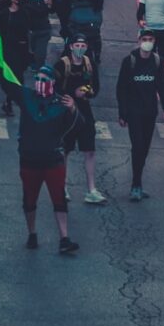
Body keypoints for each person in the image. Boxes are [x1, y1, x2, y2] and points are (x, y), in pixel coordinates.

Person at [1, 65, 81, 254]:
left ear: (53, 82)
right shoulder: (27, 97)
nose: (40, 83)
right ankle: (32, 233)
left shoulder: (61, 104)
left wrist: (73, 109)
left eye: (45, 79)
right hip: (29, 160)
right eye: (38, 78)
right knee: (29, 199)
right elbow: (6, 83)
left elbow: (78, 126)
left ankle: (64, 238)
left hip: (53, 160)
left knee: (59, 199)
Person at [116, 28, 164, 201]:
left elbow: (163, 86)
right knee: (138, 146)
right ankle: (135, 184)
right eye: (145, 39)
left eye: (151, 39)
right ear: (139, 40)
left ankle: (138, 182)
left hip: (150, 112)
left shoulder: (157, 61)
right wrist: (122, 113)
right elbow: (121, 88)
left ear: (154, 42)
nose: (148, 42)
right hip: (134, 112)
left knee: (145, 148)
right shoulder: (129, 61)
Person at [55, 34, 106, 204]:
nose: (79, 48)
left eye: (82, 45)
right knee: (65, 150)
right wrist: (68, 98)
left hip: (84, 110)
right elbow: (54, 88)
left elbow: (95, 87)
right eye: (76, 44)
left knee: (89, 150)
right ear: (70, 46)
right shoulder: (62, 64)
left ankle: (91, 189)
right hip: (66, 113)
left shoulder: (89, 64)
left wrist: (85, 91)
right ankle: (61, 187)